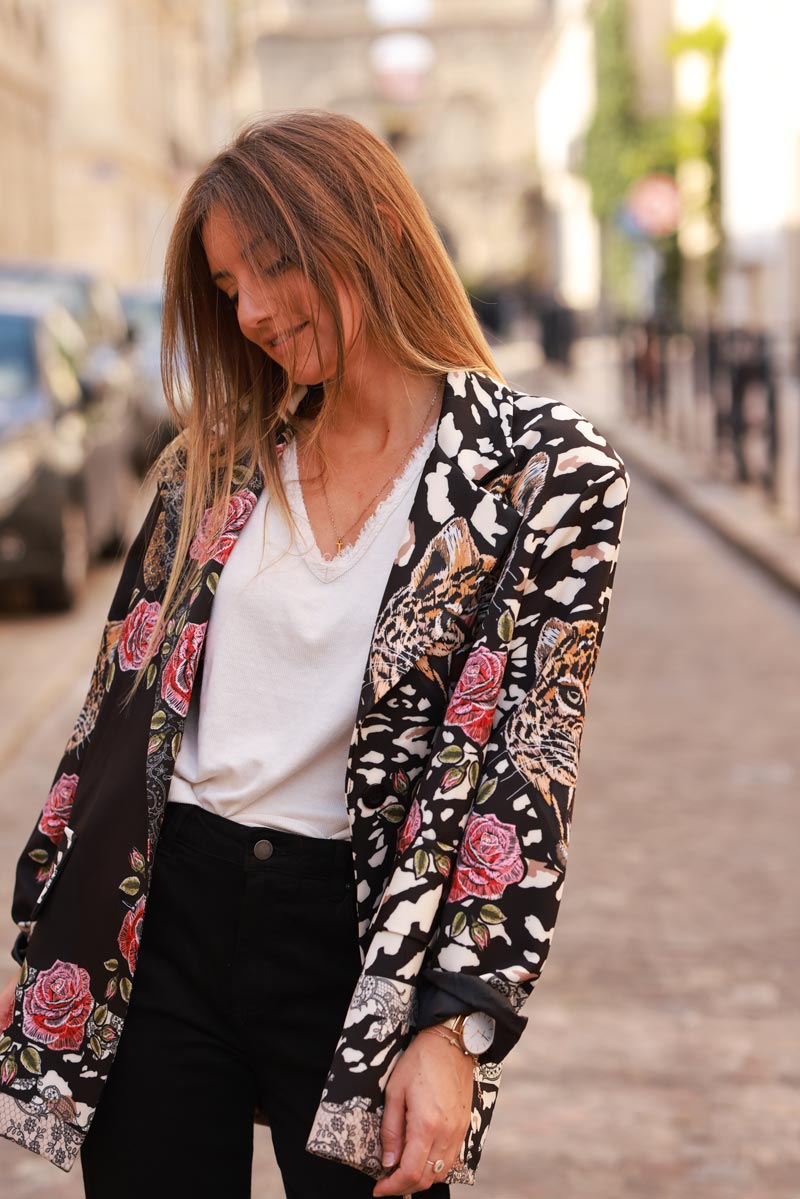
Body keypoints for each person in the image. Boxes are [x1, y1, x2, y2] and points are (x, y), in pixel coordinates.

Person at [0, 109, 630, 1198]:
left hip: (358, 935)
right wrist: (48, 919)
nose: (249, 311)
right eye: (228, 284)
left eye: (273, 266)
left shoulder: (544, 475)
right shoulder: (217, 461)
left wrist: (454, 1030)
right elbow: (116, 710)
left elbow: (527, 767)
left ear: (374, 223)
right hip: (163, 920)